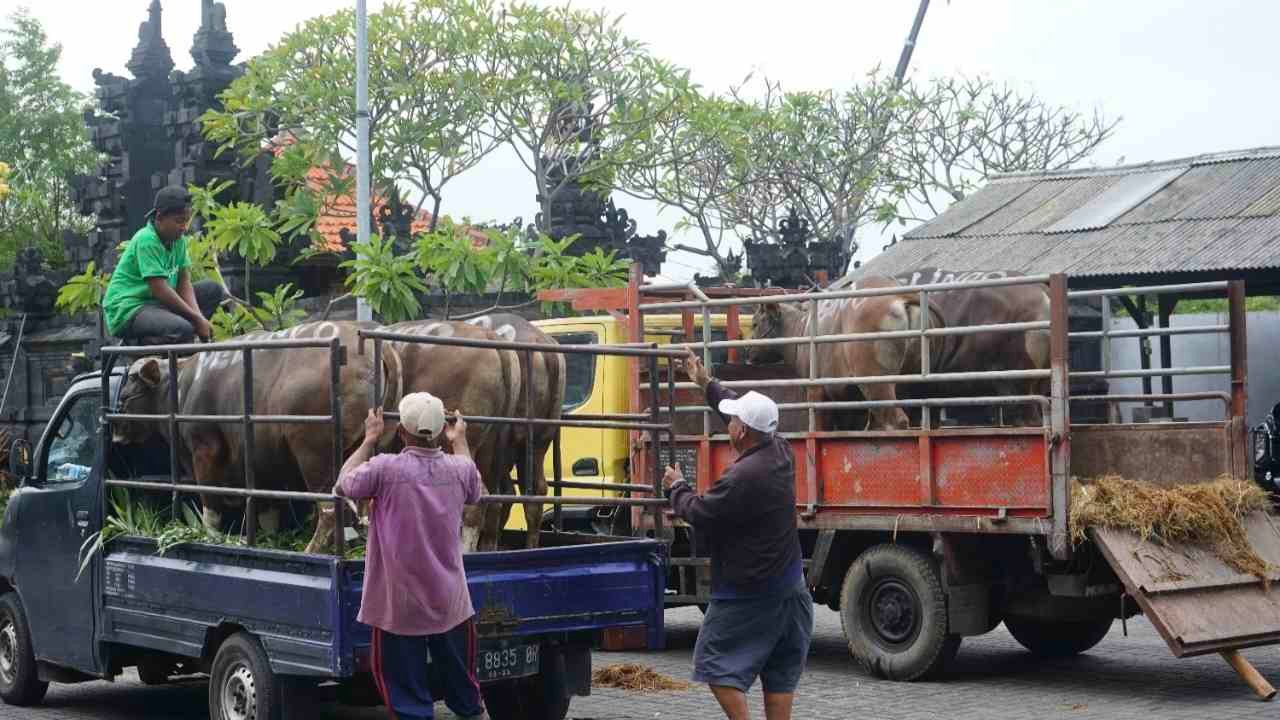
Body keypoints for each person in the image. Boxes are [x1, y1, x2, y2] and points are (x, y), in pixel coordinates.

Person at [663, 349, 813, 720]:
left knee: (715, 664)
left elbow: (700, 514)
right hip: (791, 592)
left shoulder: (743, 477)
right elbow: (732, 404)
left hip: (749, 595)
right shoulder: (780, 449)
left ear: (741, 431)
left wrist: (676, 487)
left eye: (731, 422)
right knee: (778, 679)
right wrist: (704, 382)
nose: (726, 423)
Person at [334, 393, 487, 720]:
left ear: (401, 432)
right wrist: (459, 440)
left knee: (409, 703)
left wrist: (369, 439)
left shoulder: (385, 468)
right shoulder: (460, 470)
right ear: (440, 430)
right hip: (450, 602)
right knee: (467, 695)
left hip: (400, 606)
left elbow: (343, 484)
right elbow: (476, 488)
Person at [101, 185, 226, 344]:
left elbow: (183, 283)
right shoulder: (147, 240)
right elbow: (159, 289)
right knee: (183, 329)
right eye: (179, 221)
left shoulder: (178, 241)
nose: (184, 227)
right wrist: (195, 319)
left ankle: (180, 336)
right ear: (159, 217)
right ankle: (141, 344)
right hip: (130, 308)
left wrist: (199, 318)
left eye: (186, 221)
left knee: (212, 289)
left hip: (156, 305)